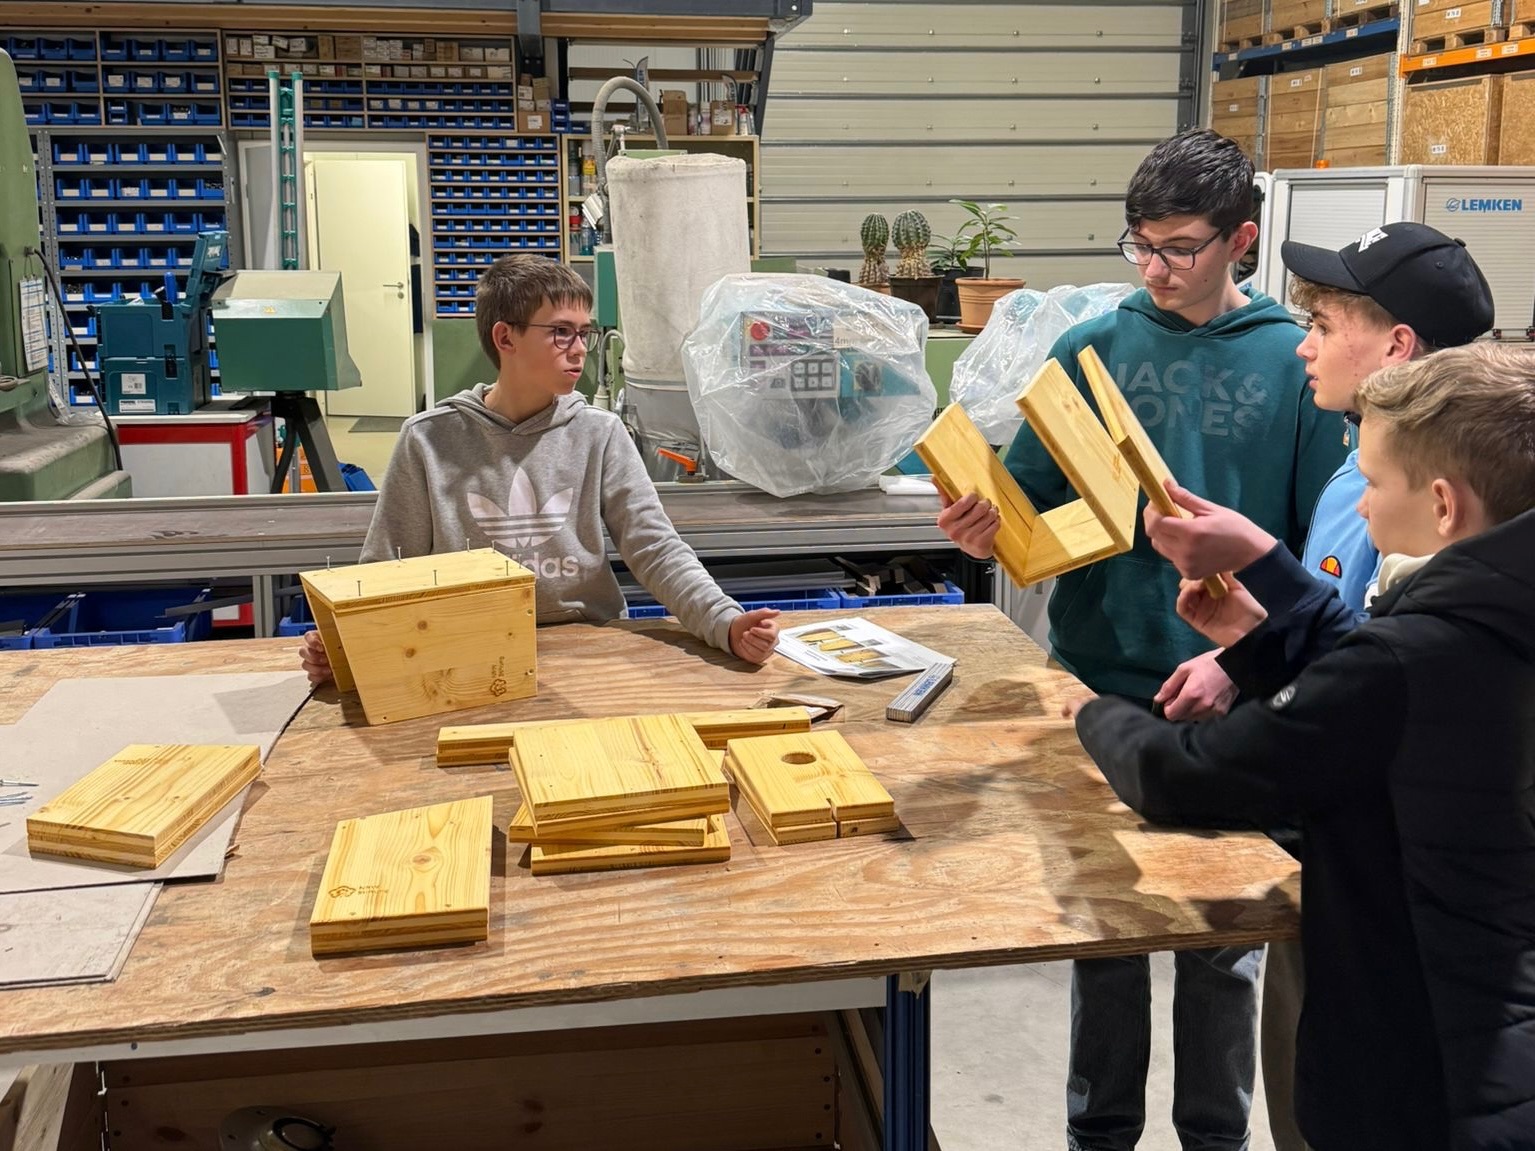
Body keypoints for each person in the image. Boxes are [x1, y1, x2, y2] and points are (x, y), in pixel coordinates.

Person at [940, 128, 1346, 1151]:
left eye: (1178, 247)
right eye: (1140, 245)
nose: (1155, 269)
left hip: (1233, 688)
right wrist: (985, 524)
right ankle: (1099, 1133)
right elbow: (1026, 505)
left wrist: (1246, 658)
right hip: (1101, 679)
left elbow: (1312, 550)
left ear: (1239, 240)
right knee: (1105, 929)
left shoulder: (1291, 361)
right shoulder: (1091, 349)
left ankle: (1212, 1136)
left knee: (1222, 938)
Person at [1067, 342, 1535, 1150]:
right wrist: (1261, 633)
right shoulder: (1490, 620)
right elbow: (1375, 698)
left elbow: (1185, 775)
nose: (1361, 506)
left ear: (1442, 505)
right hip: (1495, 1030)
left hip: (1418, 1077)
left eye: (1373, 483)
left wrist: (1087, 708)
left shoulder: (1408, 656)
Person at [1139, 223, 1495, 1151]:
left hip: (1385, 880)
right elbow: (1340, 635)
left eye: (1325, 323)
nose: (1303, 344)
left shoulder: (1437, 498)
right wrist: (1246, 649)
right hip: (1329, 850)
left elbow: (1379, 676)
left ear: (1397, 345)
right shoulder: (1360, 457)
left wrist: (1110, 722)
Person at [301, 255, 779, 685]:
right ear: (505, 337)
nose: (579, 349)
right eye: (560, 332)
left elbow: (654, 548)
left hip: (587, 642)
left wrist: (724, 622)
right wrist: (347, 649)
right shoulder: (429, 439)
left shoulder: (599, 433)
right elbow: (388, 565)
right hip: (465, 652)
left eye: (584, 333)